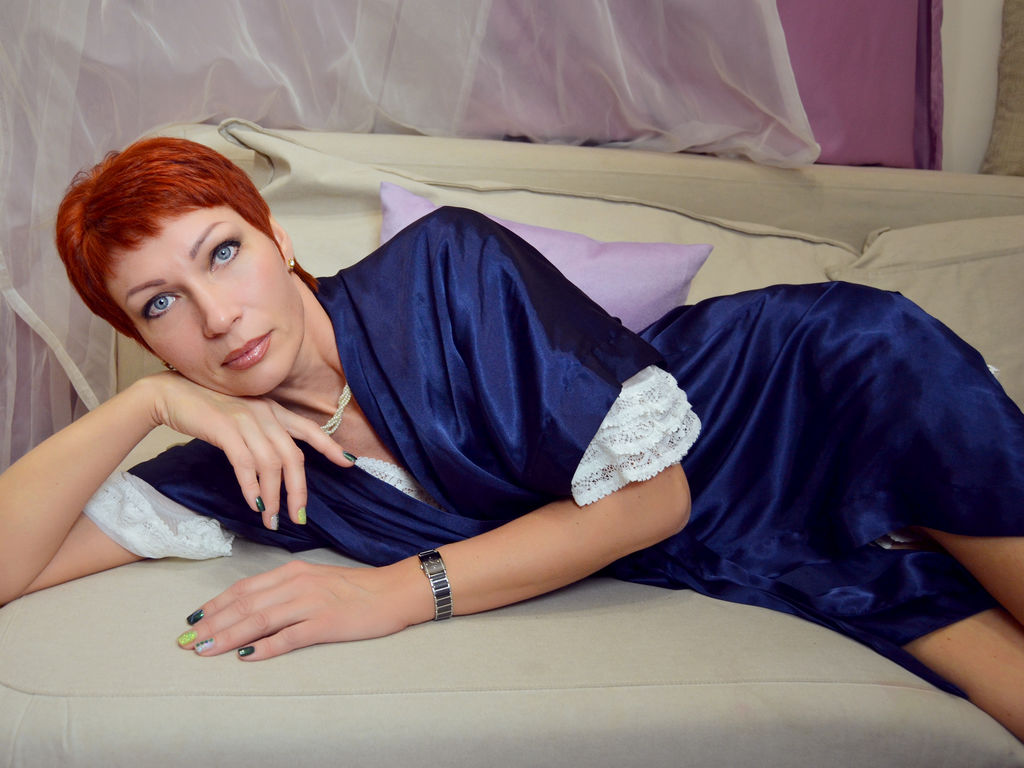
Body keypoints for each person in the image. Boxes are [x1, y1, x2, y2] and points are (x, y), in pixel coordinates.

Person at [1, 137, 1023, 740]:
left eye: (222, 253)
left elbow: (653, 496)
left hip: (819, 388)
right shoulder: (246, 463)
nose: (217, 316)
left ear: (278, 237)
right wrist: (142, 408)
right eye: (160, 305)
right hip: (732, 542)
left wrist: (389, 594)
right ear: (143, 340)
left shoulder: (444, 267)